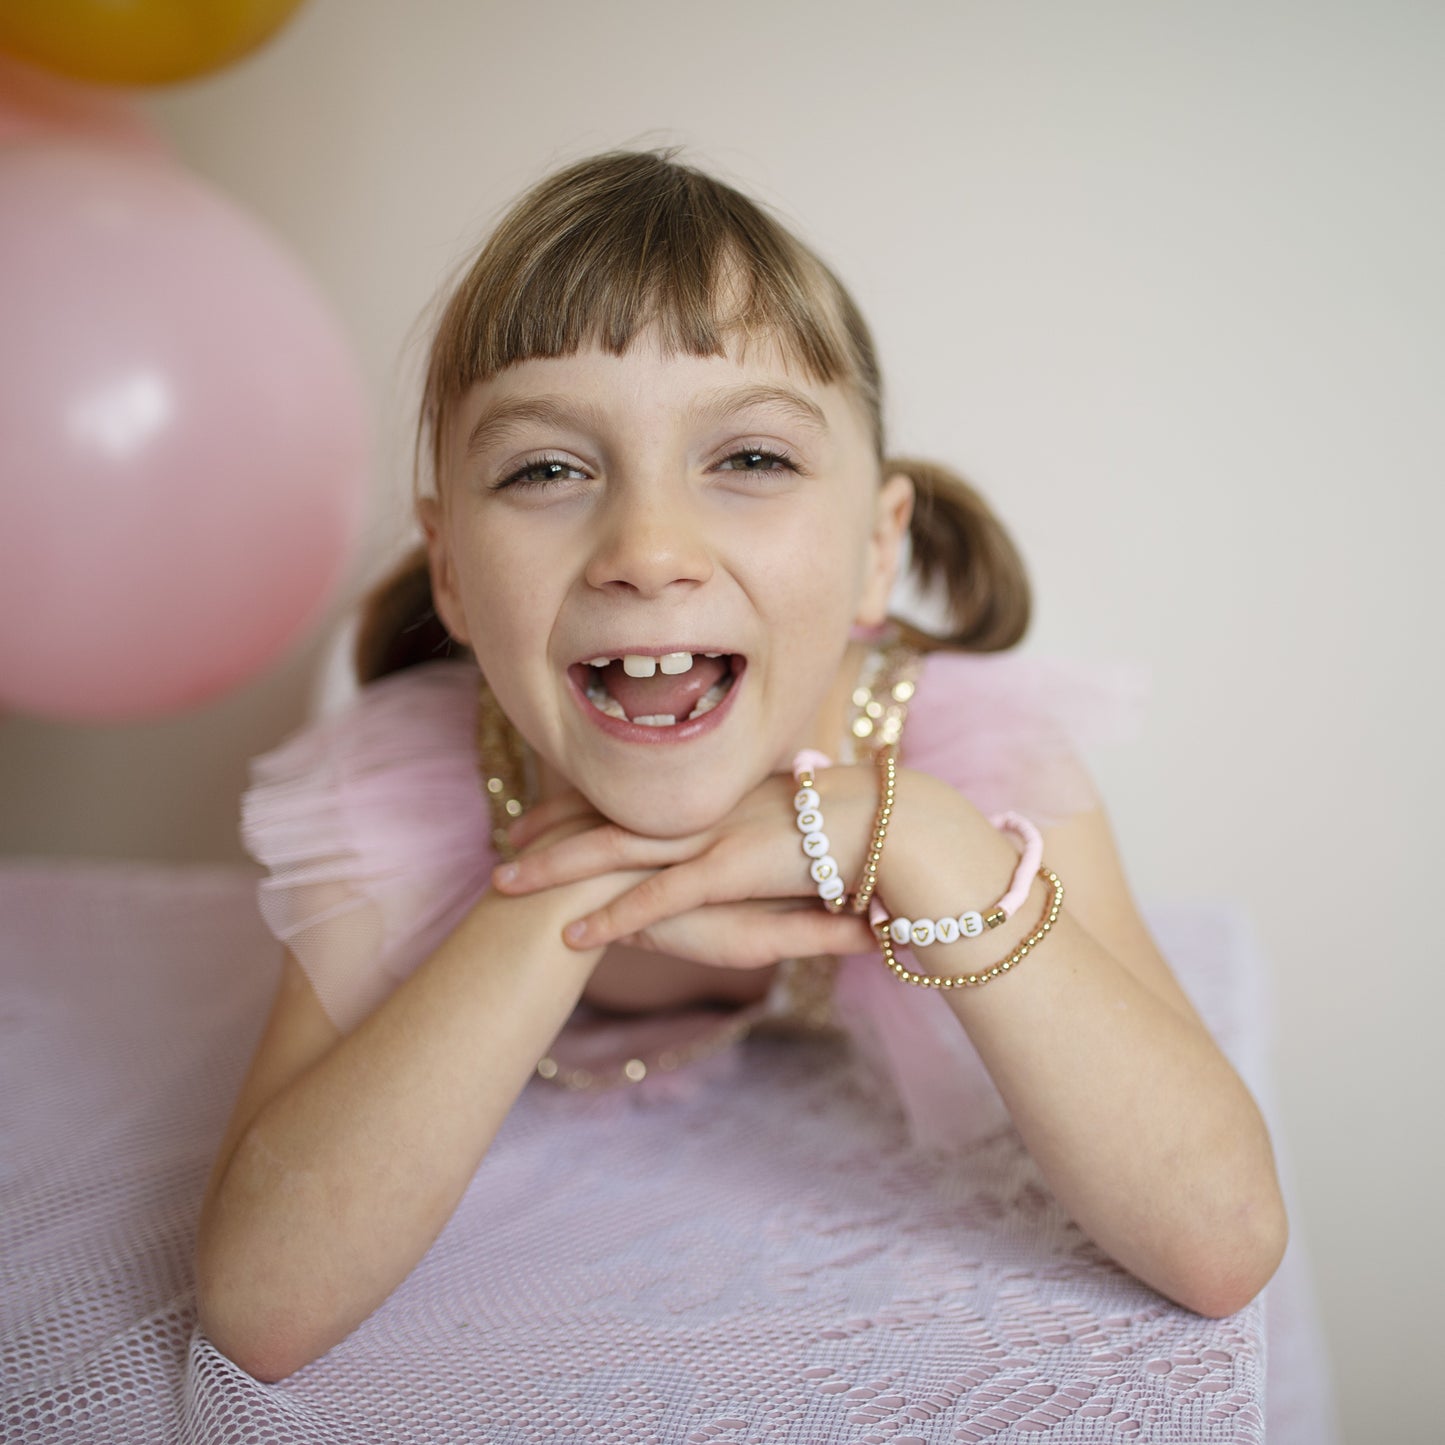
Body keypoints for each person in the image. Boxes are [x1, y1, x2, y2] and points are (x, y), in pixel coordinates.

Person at [195, 149, 1287, 1384]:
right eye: (547, 468)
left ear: (880, 549)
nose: (648, 550)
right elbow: (259, 1300)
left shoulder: (953, 752)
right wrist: (559, 888)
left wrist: (904, 831)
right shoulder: (406, 792)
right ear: (449, 568)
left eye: (750, 459)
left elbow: (1221, 1236)